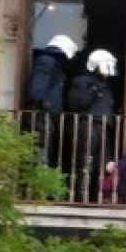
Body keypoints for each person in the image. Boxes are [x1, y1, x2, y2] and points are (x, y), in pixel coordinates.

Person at [67, 49, 120, 201]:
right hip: (88, 125)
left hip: (103, 128)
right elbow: (76, 103)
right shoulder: (82, 81)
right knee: (86, 161)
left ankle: (95, 195)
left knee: (102, 164)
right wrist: (93, 90)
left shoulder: (106, 87)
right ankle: (80, 194)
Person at [24, 34, 77, 171]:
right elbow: (37, 87)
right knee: (40, 152)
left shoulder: (53, 64)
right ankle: (38, 187)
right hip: (41, 115)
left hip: (44, 115)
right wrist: (44, 104)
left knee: (44, 151)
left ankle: (40, 184)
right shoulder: (47, 61)